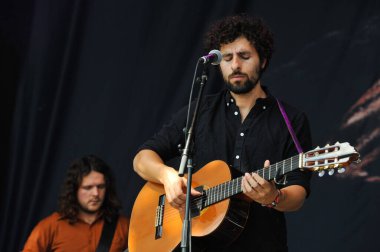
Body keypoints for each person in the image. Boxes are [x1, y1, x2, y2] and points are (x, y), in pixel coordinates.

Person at [133, 14, 312, 252]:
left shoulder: (291, 120)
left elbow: (298, 192)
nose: (235, 65)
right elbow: (141, 159)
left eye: (244, 56)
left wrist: (274, 197)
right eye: (227, 58)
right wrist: (167, 177)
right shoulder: (199, 111)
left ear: (264, 60)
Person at [23, 155, 129, 252]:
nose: (96, 193)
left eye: (101, 187)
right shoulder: (51, 226)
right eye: (88, 188)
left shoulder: (123, 226)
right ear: (74, 190)